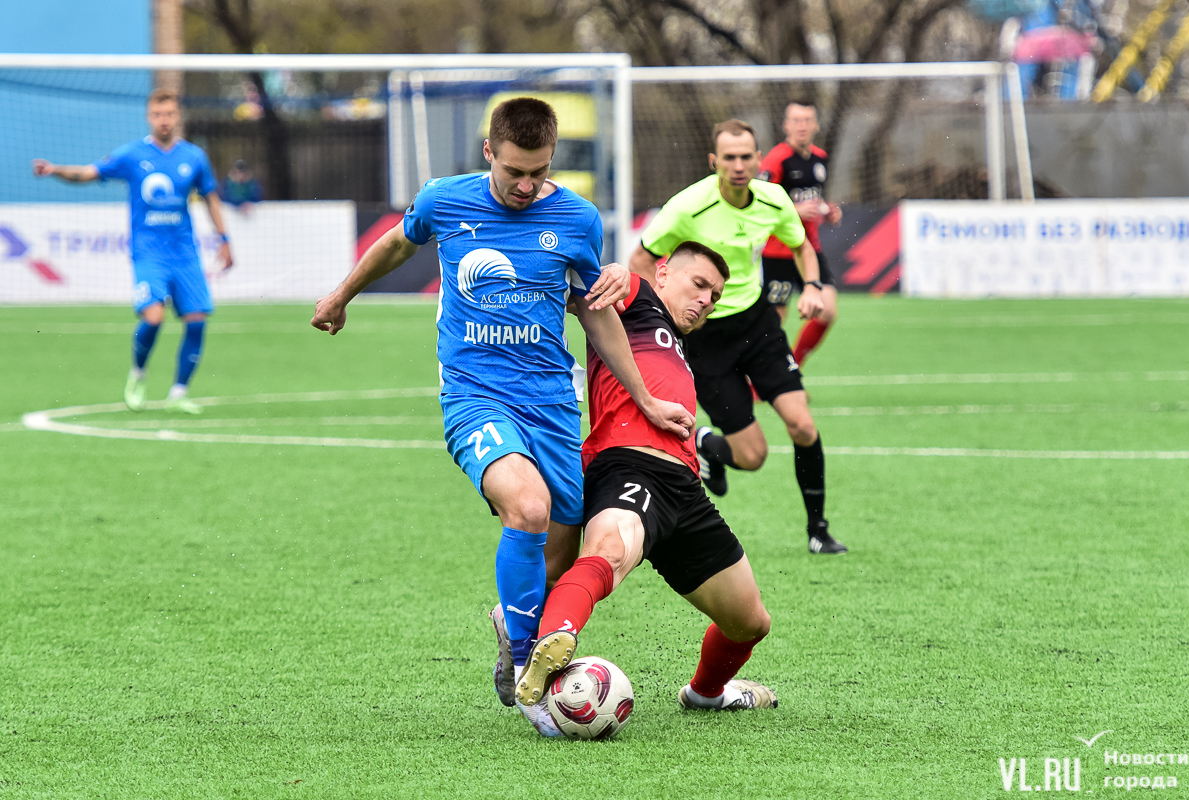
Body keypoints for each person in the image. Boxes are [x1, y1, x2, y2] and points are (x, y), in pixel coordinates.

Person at [309, 97, 694, 718]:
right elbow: (398, 244)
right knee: (529, 507)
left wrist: (645, 399)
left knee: (560, 547)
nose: (525, 185)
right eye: (514, 170)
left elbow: (593, 310)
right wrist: (340, 295)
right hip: (474, 395)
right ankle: (524, 672)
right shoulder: (445, 199)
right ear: (489, 151)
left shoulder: (577, 218)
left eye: (539, 172)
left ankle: (511, 625)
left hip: (552, 401)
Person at [513, 242, 777, 737]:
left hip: (686, 492)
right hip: (627, 466)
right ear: (663, 273)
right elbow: (589, 287)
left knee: (750, 622)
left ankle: (706, 693)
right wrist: (611, 273)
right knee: (610, 552)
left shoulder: (680, 346)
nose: (706, 300)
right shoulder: (637, 298)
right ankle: (547, 645)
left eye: (715, 296)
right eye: (699, 285)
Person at [629, 119, 847, 556]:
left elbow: (801, 245)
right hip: (705, 339)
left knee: (803, 425)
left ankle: (818, 530)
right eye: (729, 157)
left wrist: (811, 285)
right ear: (714, 161)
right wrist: (666, 315)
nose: (738, 165)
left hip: (758, 325)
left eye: (746, 156)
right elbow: (640, 261)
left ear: (758, 159)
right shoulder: (687, 207)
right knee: (753, 456)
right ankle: (707, 444)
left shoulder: (773, 199)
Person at [33, 88, 234, 415]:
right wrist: (55, 169)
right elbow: (88, 173)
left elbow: (210, 197)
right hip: (148, 254)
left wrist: (224, 239)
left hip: (185, 254)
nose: (163, 120)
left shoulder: (194, 157)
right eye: (157, 114)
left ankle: (179, 393)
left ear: (177, 116)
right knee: (153, 317)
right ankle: (138, 373)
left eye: (169, 114)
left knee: (197, 321)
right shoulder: (131, 154)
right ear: (148, 117)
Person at [759, 98, 842, 366]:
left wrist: (827, 211)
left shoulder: (820, 158)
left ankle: (793, 365)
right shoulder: (776, 159)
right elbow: (760, 204)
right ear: (786, 125)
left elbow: (813, 200)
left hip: (810, 249)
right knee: (775, 321)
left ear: (816, 125)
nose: (802, 126)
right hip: (779, 251)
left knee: (827, 309)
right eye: (796, 120)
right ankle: (758, 376)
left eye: (807, 120)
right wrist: (795, 210)